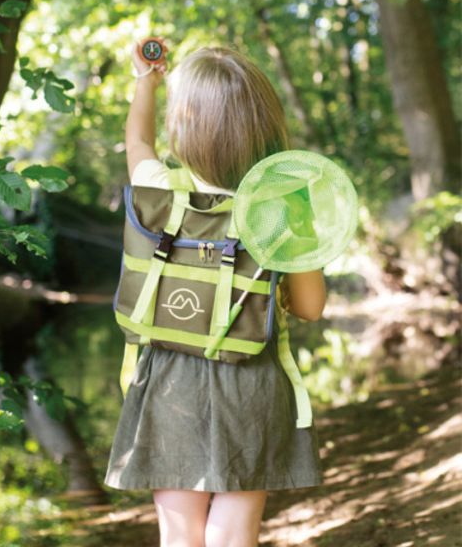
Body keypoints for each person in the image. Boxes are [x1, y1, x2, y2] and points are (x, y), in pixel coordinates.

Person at [104, 38, 326, 547]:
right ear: (266, 127)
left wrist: (146, 81)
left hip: (167, 380)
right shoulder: (282, 204)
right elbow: (312, 306)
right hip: (253, 380)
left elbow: (138, 143)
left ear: (182, 129)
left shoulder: (158, 190)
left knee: (179, 533)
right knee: (234, 531)